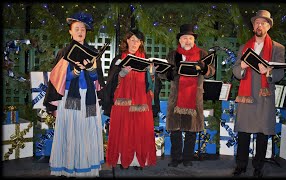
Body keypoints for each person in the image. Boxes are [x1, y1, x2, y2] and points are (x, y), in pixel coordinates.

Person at [43, 12, 104, 177]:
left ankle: (87, 167)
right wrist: (74, 72)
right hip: (71, 98)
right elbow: (58, 80)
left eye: (83, 29)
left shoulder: (92, 52)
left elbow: (96, 80)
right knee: (72, 130)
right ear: (70, 32)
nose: (80, 32)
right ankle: (69, 166)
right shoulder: (64, 53)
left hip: (89, 98)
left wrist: (92, 70)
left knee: (87, 131)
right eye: (76, 29)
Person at [232, 10, 285, 177]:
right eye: (256, 23)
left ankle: (258, 167)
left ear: (268, 26)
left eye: (263, 23)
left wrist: (268, 72)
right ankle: (240, 165)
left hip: (264, 95)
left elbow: (280, 73)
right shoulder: (244, 47)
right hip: (246, 96)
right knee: (243, 132)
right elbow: (235, 70)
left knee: (262, 133)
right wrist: (242, 67)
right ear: (253, 26)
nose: (259, 25)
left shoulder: (277, 48)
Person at [158, 24, 215, 167]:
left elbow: (212, 71)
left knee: (192, 130)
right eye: (184, 38)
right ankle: (176, 158)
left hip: (194, 97)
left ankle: (187, 158)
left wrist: (205, 68)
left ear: (194, 39)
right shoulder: (172, 54)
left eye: (190, 38)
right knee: (175, 130)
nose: (187, 41)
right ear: (180, 40)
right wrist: (168, 73)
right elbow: (162, 73)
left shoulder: (202, 54)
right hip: (176, 98)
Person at [105, 29, 157, 170]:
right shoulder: (118, 59)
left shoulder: (146, 59)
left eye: (138, 41)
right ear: (127, 40)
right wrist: (122, 73)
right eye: (132, 40)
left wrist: (152, 73)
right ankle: (124, 161)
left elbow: (151, 85)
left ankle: (138, 161)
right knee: (124, 131)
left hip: (141, 102)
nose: (135, 43)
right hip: (123, 102)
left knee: (140, 132)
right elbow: (111, 83)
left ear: (141, 43)